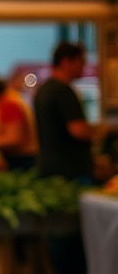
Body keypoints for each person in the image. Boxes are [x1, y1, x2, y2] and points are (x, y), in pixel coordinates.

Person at [34, 42, 94, 183]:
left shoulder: (43, 90)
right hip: (70, 171)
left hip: (48, 167)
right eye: (81, 62)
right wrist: (94, 134)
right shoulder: (63, 92)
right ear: (66, 62)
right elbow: (78, 130)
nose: (83, 67)